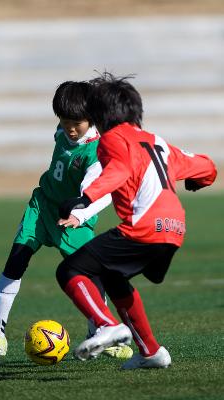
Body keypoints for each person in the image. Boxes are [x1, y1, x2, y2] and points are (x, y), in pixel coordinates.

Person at [56, 72, 217, 369]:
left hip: (143, 228)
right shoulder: (158, 142)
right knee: (113, 277)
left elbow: (119, 169)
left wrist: (86, 198)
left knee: (70, 270)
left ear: (100, 115)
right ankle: (152, 352)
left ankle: (106, 325)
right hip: (174, 230)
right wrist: (201, 180)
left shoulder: (112, 139)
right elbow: (205, 165)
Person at [0, 80, 133, 362]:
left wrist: (80, 214)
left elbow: (100, 190)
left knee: (93, 276)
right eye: (64, 121)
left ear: (91, 119)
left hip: (72, 218)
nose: (69, 128)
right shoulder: (63, 131)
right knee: (16, 261)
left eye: (76, 122)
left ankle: (100, 334)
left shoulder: (98, 151)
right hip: (42, 208)